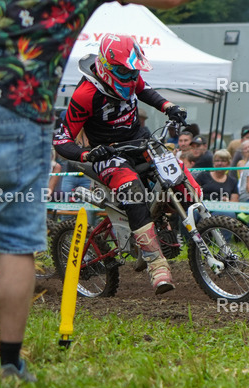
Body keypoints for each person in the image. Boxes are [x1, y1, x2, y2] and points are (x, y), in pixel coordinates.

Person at [53, 34, 189, 294]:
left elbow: (144, 90)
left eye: (132, 71)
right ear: (106, 66)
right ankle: (157, 266)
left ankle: (188, 224)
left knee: (177, 173)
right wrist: (86, 154)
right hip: (108, 154)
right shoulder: (85, 94)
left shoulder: (130, 73)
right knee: (133, 192)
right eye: (123, 72)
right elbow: (61, 140)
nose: (129, 77)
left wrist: (169, 106)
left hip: (139, 140)